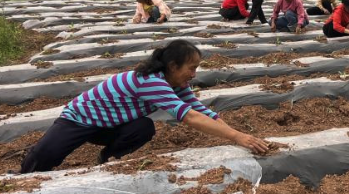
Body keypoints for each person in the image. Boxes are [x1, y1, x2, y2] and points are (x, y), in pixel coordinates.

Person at [21, 40, 269, 173]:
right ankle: (24, 172)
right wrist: (237, 137)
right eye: (191, 68)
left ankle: (107, 158)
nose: (194, 74)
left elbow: (201, 111)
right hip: (80, 119)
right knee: (44, 158)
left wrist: (241, 136)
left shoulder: (176, 84)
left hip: (110, 124)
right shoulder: (151, 82)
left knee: (143, 127)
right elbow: (189, 118)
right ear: (173, 66)